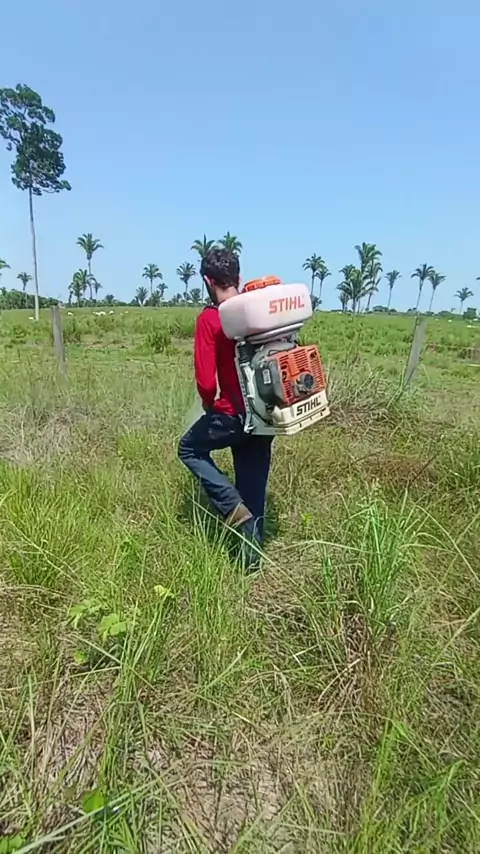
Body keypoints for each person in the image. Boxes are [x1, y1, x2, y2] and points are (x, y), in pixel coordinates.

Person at [178, 247, 273, 570]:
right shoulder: (257, 311)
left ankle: (231, 505)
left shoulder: (209, 319)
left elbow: (207, 382)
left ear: (207, 281)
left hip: (230, 414)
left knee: (189, 449)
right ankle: (251, 565)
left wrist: (210, 406)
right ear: (238, 277)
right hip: (264, 413)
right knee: (254, 488)